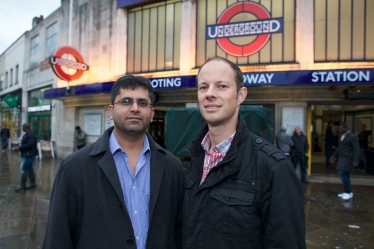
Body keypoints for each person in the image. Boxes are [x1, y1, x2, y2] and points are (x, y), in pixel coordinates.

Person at [43, 75, 184, 249]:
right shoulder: (74, 168)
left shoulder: (172, 166)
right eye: (125, 101)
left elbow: (179, 231)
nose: (135, 108)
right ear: (110, 111)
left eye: (142, 103)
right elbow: (58, 237)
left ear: (152, 113)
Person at [183, 56, 306, 249]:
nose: (210, 94)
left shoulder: (273, 167)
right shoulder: (193, 160)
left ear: (241, 95)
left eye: (222, 86)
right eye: (203, 87)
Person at [330, 122, 360, 200]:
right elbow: (339, 147)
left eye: (340, 129)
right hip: (342, 158)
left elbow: (357, 149)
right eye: (338, 129)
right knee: (345, 174)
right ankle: (348, 191)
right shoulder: (341, 136)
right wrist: (334, 156)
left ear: (346, 128)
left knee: (342, 172)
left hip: (348, 158)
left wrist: (356, 161)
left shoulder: (352, 136)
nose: (339, 130)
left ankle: (348, 192)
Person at [13, 123, 38, 191]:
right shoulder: (27, 134)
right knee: (29, 168)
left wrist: (19, 147)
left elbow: (30, 144)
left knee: (24, 168)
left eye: (23, 127)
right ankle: (32, 183)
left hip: (29, 154)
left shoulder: (30, 134)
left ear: (25, 128)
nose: (22, 129)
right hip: (27, 154)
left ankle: (23, 185)